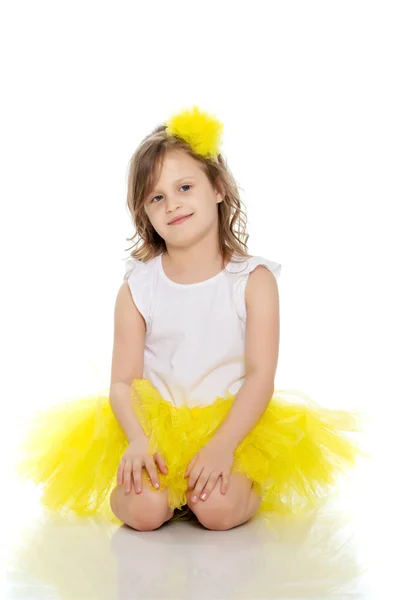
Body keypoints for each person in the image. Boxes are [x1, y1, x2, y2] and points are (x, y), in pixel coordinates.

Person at [15, 105, 362, 531]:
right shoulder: (138, 288)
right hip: (156, 429)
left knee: (215, 511)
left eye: (184, 187)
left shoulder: (252, 281)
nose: (172, 204)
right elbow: (122, 382)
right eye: (157, 197)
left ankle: (243, 485)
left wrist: (222, 447)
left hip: (230, 427)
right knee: (144, 514)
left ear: (217, 188)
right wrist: (140, 439)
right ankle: (151, 492)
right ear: (145, 213)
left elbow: (259, 376)